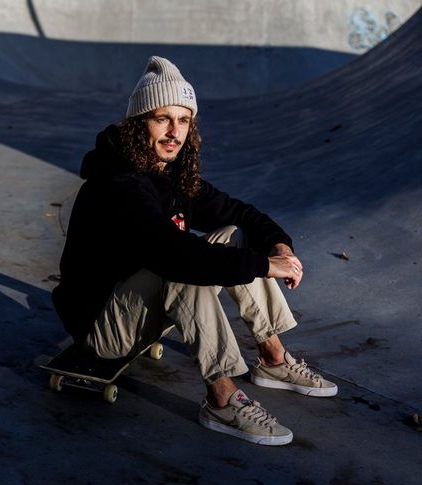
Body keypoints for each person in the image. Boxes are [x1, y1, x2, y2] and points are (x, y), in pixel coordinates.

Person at [51, 56, 337, 446]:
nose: (174, 132)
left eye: (183, 120)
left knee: (233, 235)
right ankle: (221, 398)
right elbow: (177, 257)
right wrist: (264, 266)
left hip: (140, 304)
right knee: (185, 265)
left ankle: (272, 358)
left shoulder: (169, 173)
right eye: (162, 119)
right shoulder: (117, 184)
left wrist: (278, 245)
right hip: (103, 329)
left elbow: (240, 213)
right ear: (138, 123)